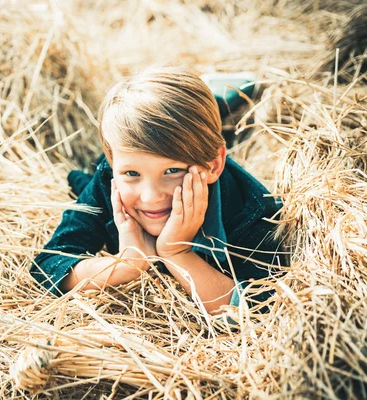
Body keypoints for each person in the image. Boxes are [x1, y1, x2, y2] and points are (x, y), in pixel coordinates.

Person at [31, 67, 284, 314]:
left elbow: (257, 309)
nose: (151, 196)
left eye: (172, 171)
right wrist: (127, 263)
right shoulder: (108, 176)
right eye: (131, 174)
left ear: (214, 166)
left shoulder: (253, 209)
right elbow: (47, 266)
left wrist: (176, 252)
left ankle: (222, 93)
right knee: (79, 181)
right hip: (115, 158)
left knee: (212, 115)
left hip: (190, 138)